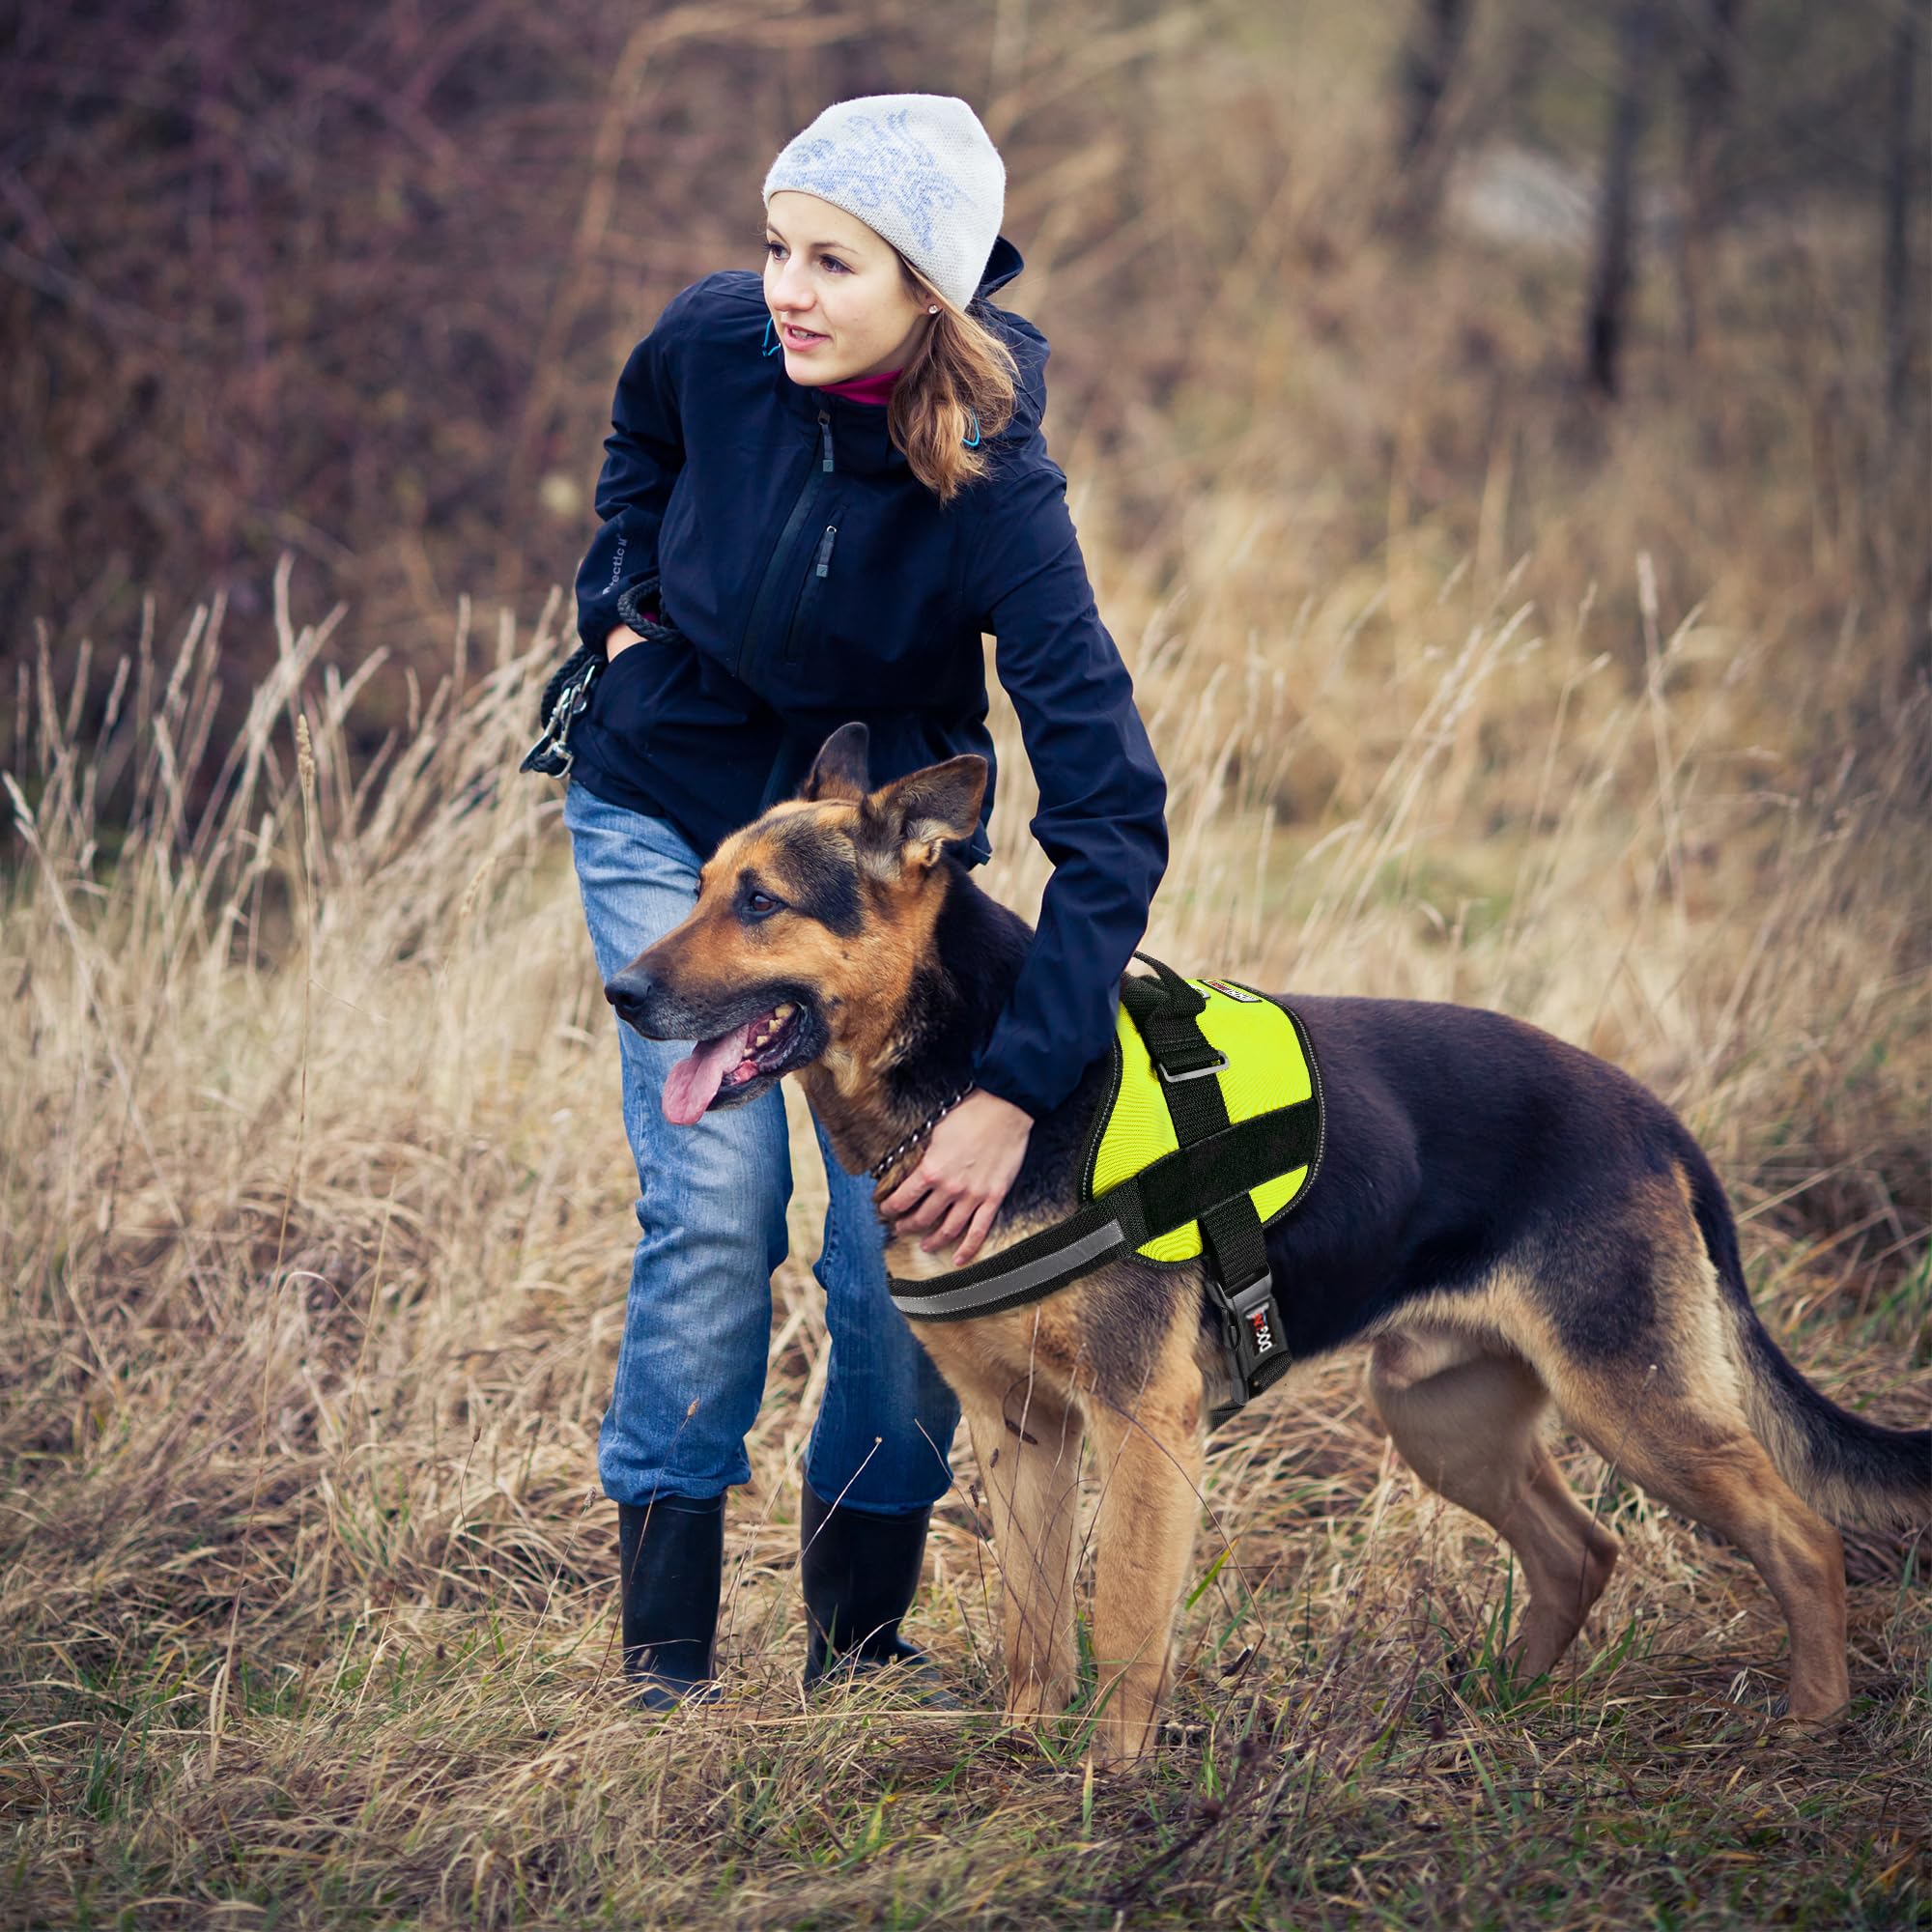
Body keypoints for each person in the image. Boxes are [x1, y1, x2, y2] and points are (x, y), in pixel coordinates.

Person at [543, 93, 1169, 1708]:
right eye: (776, 245)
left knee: (904, 1235)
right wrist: (620, 615)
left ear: (930, 294)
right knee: (717, 1202)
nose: (786, 290)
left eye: (834, 259)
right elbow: (638, 448)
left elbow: (1112, 816)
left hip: (866, 874)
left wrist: (1017, 1096)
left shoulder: (995, 490)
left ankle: (858, 1641)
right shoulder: (712, 340)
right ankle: (667, 1664)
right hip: (670, 814)